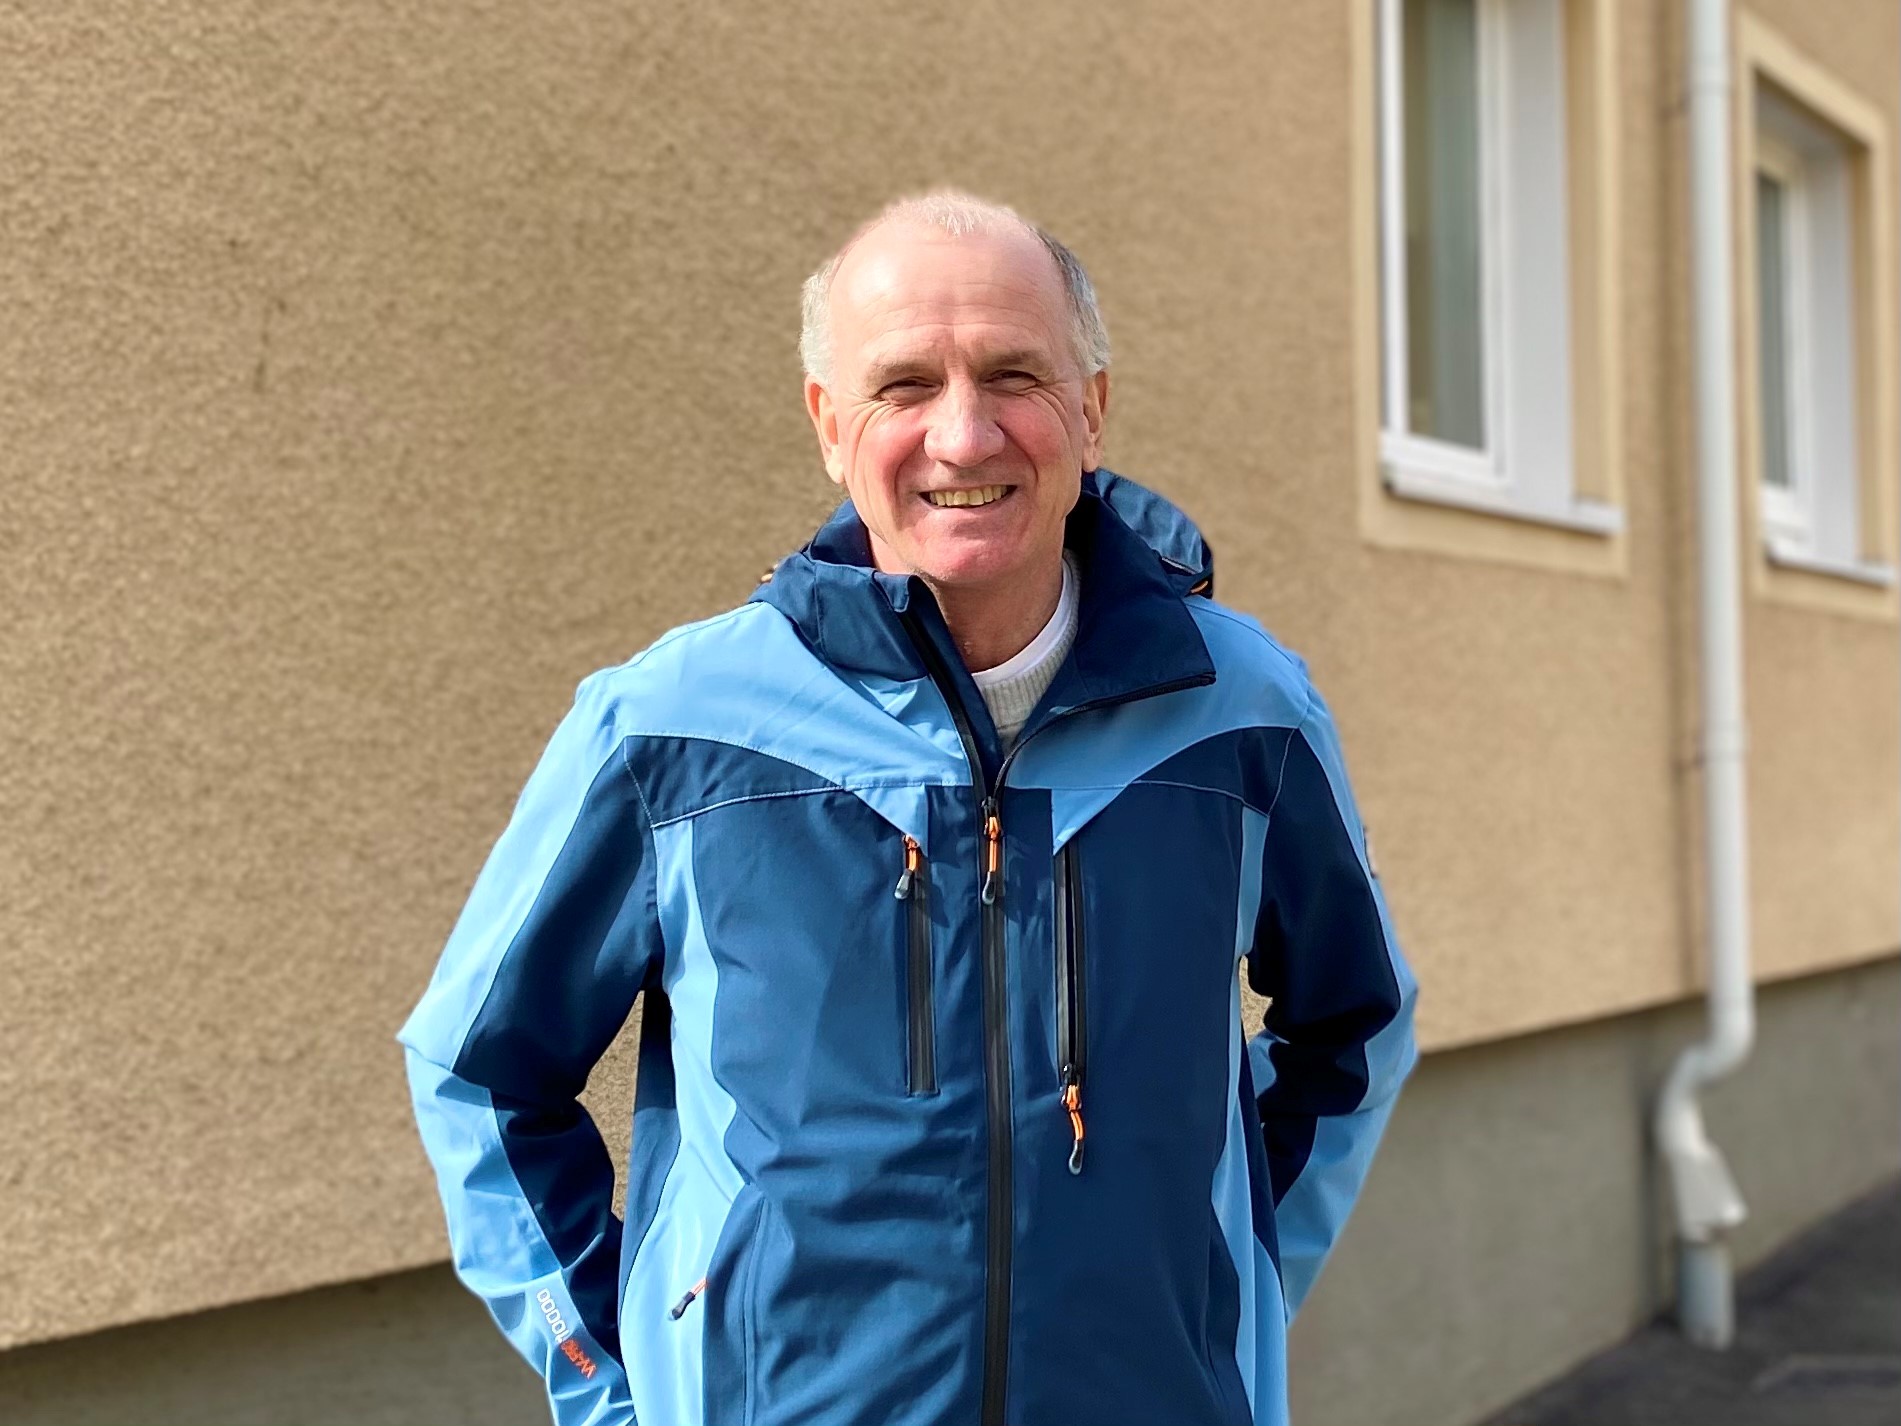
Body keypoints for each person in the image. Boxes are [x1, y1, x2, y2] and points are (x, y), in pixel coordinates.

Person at [398, 191, 1417, 1426]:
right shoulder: (671, 724)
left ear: (1090, 409)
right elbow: (480, 1070)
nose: (962, 434)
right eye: (903, 386)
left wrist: (1229, 1290)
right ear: (830, 425)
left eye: (1013, 375)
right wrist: (612, 1384)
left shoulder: (1242, 710)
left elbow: (1354, 1025)